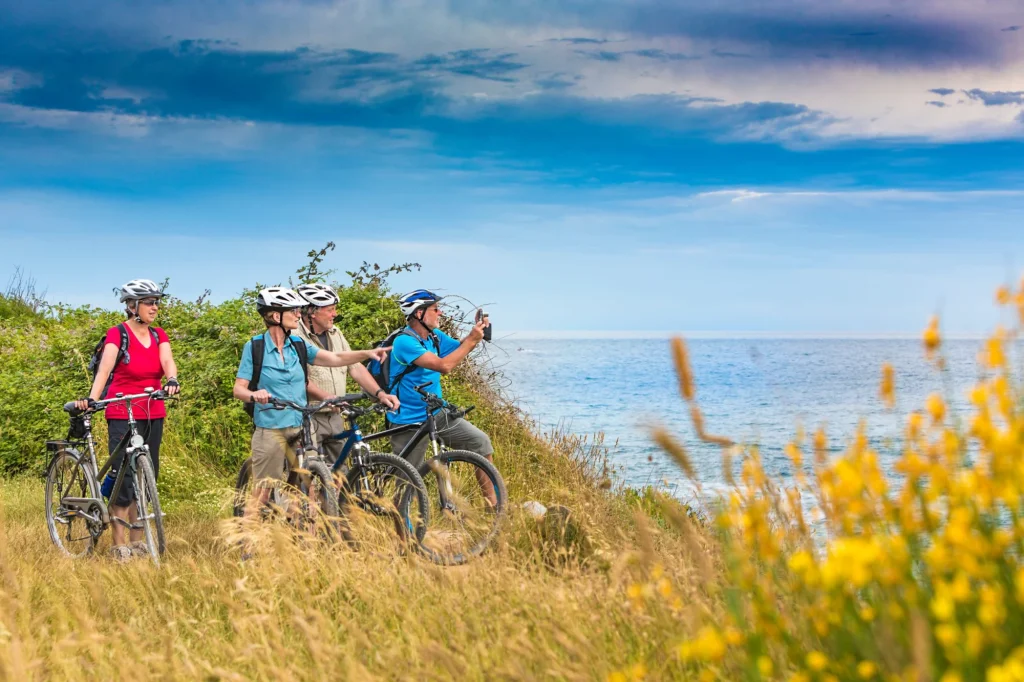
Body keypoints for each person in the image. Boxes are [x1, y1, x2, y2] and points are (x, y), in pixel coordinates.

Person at [231, 287, 389, 516]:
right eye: (293, 310)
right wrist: (255, 395)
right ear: (276, 316)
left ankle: (310, 544)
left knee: (310, 487)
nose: (298, 313)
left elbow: (335, 358)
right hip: (270, 427)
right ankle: (248, 545)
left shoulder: (298, 345)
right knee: (265, 491)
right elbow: (239, 389)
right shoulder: (255, 347)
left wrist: (367, 353)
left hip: (300, 424)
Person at [75, 279, 181, 562]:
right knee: (123, 477)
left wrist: (171, 379)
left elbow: (168, 362)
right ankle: (118, 543)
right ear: (132, 306)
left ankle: (137, 541)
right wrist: (92, 399)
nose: (155, 307)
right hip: (122, 411)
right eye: (149, 302)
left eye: (157, 302)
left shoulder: (159, 336)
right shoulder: (117, 334)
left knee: (147, 476)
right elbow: (105, 369)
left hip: (152, 410)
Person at [387, 289, 496, 504]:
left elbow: (458, 350)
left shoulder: (435, 337)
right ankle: (403, 532)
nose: (441, 313)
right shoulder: (404, 342)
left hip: (435, 413)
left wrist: (476, 332)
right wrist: (472, 340)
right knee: (407, 480)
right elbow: (444, 365)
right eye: (435, 309)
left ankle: (495, 507)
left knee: (480, 444)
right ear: (419, 314)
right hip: (409, 420)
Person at [294, 283, 400, 465]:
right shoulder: (295, 336)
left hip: (334, 414)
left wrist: (380, 394)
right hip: (309, 414)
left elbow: (355, 367)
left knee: (339, 475)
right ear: (313, 311)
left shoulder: (336, 333)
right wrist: (328, 397)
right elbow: (298, 378)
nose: (335, 314)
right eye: (330, 309)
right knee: (308, 473)